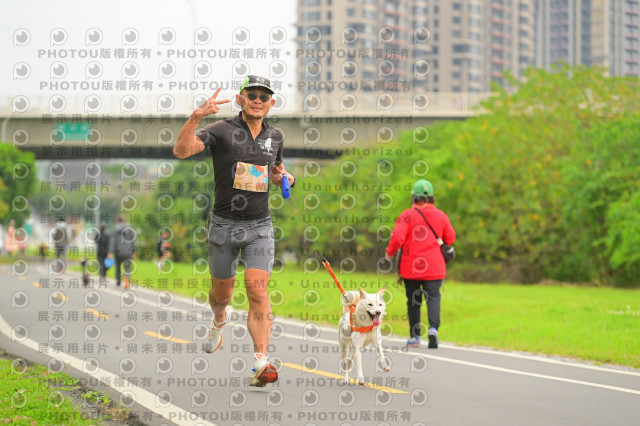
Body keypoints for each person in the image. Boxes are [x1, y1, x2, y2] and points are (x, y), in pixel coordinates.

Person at [173, 75, 295, 387]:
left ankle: (261, 362)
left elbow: (275, 169)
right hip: (223, 225)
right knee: (222, 294)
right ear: (240, 99)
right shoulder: (221, 129)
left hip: (260, 226)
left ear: (271, 103)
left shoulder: (276, 136)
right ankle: (219, 319)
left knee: (257, 289)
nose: (258, 101)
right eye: (252, 95)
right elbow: (182, 151)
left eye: (264, 97)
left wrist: (284, 177)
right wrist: (196, 116)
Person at [385, 180, 456, 349]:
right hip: (435, 267)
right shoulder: (441, 215)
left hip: (411, 268)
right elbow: (450, 238)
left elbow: (397, 238)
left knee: (413, 301)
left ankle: (415, 336)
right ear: (431, 197)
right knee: (433, 298)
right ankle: (433, 329)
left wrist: (389, 253)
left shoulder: (406, 215)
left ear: (413, 197)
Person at [107, 215, 137, 289]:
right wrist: (134, 250)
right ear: (124, 220)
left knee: (118, 267)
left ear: (117, 221)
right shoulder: (130, 228)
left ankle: (118, 281)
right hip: (128, 251)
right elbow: (133, 241)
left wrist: (110, 252)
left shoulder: (114, 229)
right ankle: (126, 279)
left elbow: (112, 242)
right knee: (127, 267)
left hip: (118, 252)